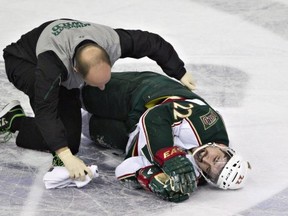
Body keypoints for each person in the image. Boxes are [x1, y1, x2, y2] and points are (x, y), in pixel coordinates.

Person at [0, 18, 195, 181]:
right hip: (23, 62)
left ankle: (18, 118)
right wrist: (64, 154)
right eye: (96, 83)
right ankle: (13, 121)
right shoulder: (52, 65)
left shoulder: (112, 41)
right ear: (75, 70)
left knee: (71, 140)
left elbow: (152, 43)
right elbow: (45, 109)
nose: (102, 88)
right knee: (62, 140)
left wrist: (180, 72)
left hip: (63, 60)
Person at [81, 71, 251, 202]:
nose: (205, 161)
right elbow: (155, 116)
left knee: (78, 127)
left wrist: (152, 180)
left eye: (208, 170)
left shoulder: (191, 176)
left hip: (130, 134)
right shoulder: (208, 123)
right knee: (82, 94)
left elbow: (123, 169)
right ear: (224, 148)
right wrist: (167, 156)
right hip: (145, 93)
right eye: (216, 159)